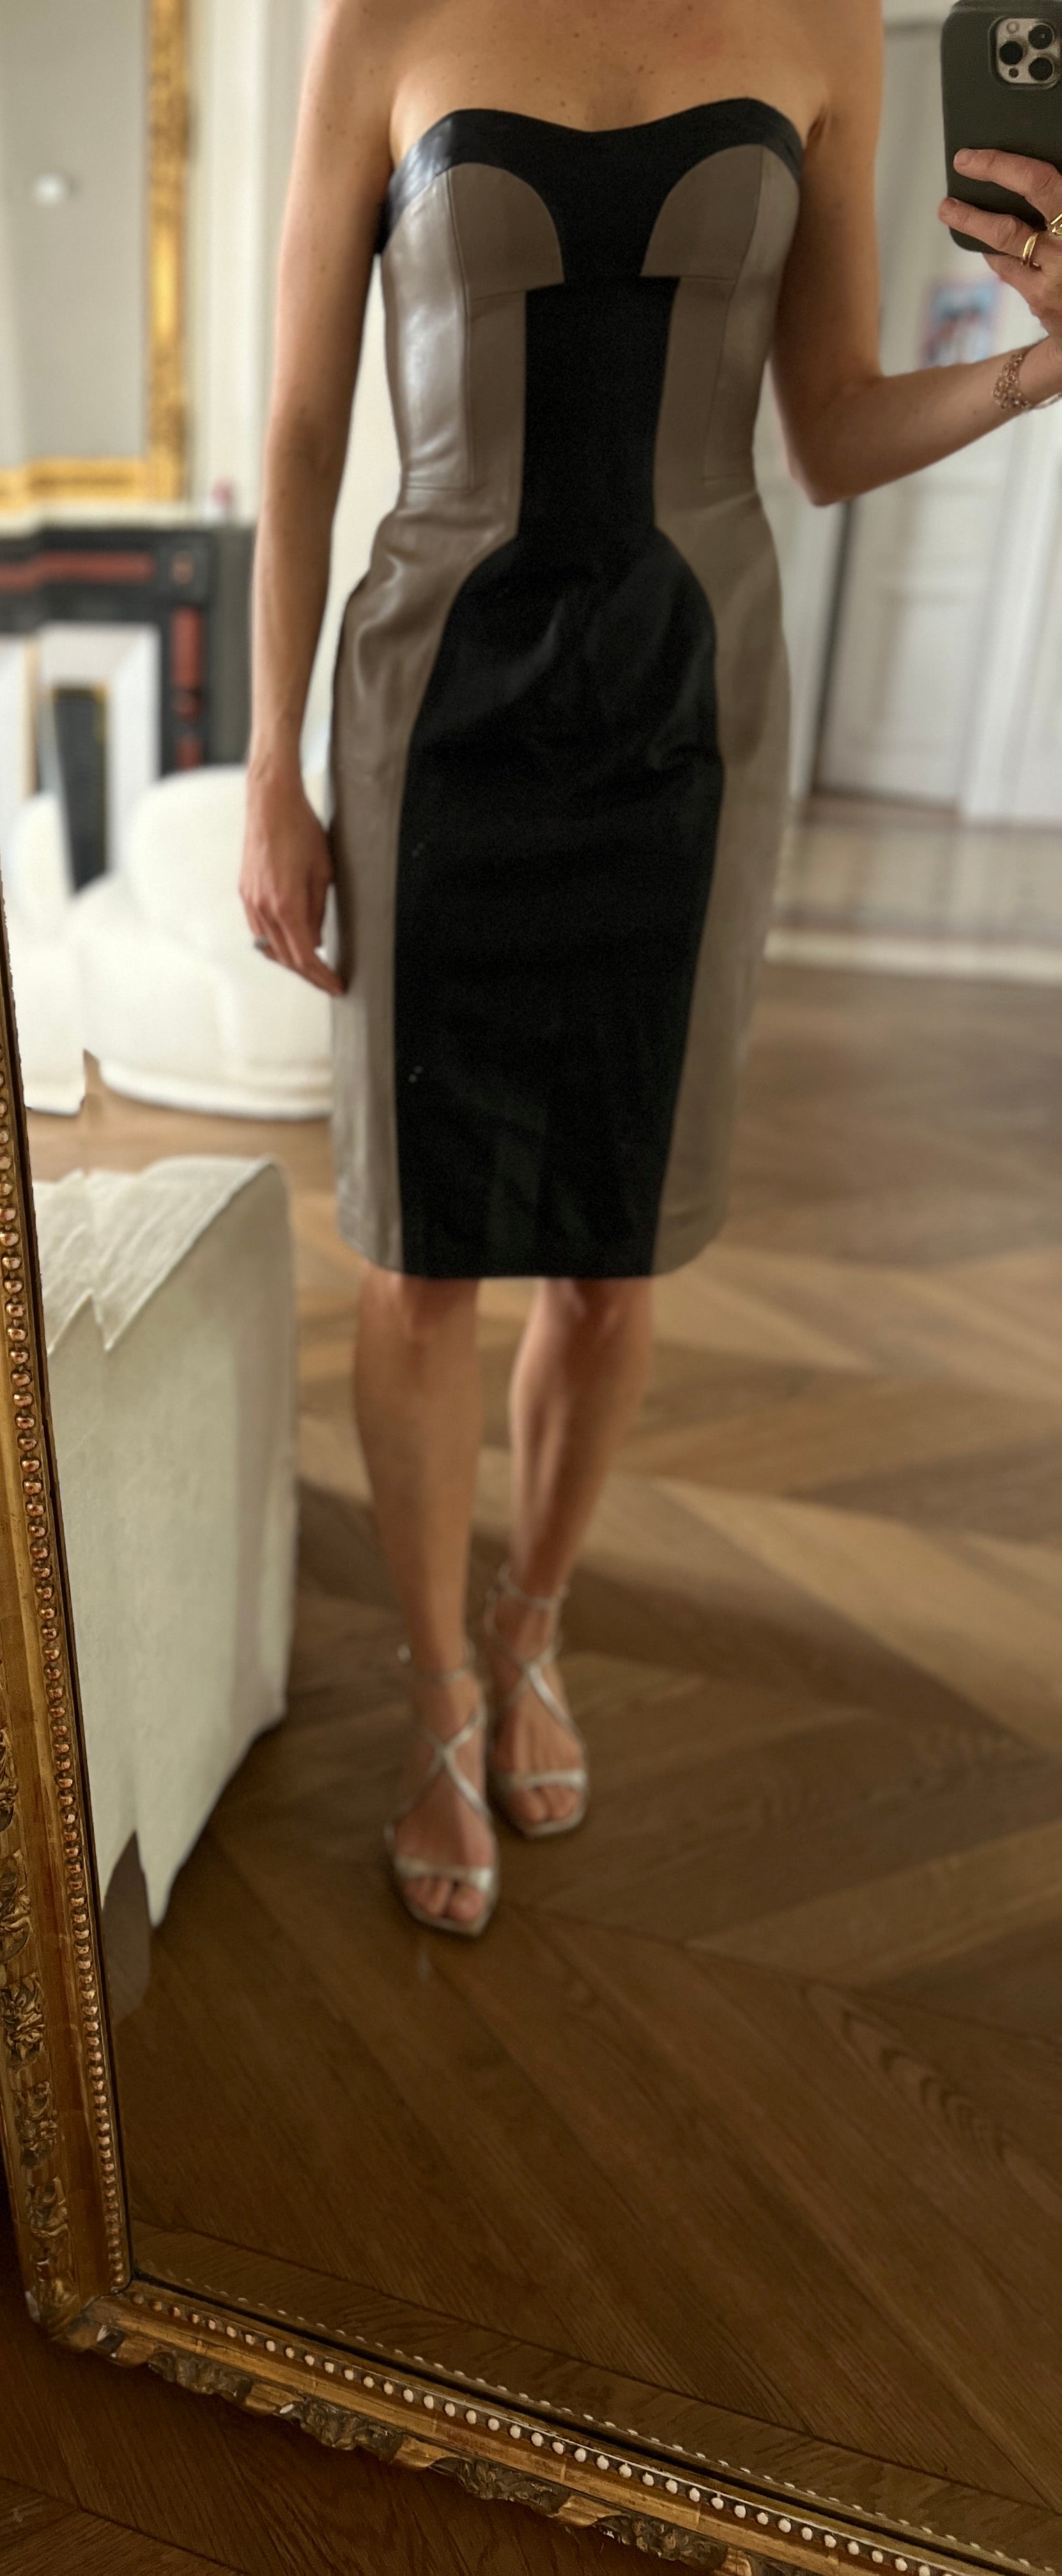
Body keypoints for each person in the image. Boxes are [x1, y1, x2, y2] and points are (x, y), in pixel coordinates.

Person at [241, 0, 1062, 1936]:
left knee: (616, 1252)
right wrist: (271, 763)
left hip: (694, 707)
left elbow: (831, 432)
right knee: (419, 1252)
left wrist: (1043, 366)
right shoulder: (381, 23)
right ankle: (438, 1691)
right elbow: (300, 426)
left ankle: (534, 1626)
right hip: (431, 702)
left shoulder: (828, 25)